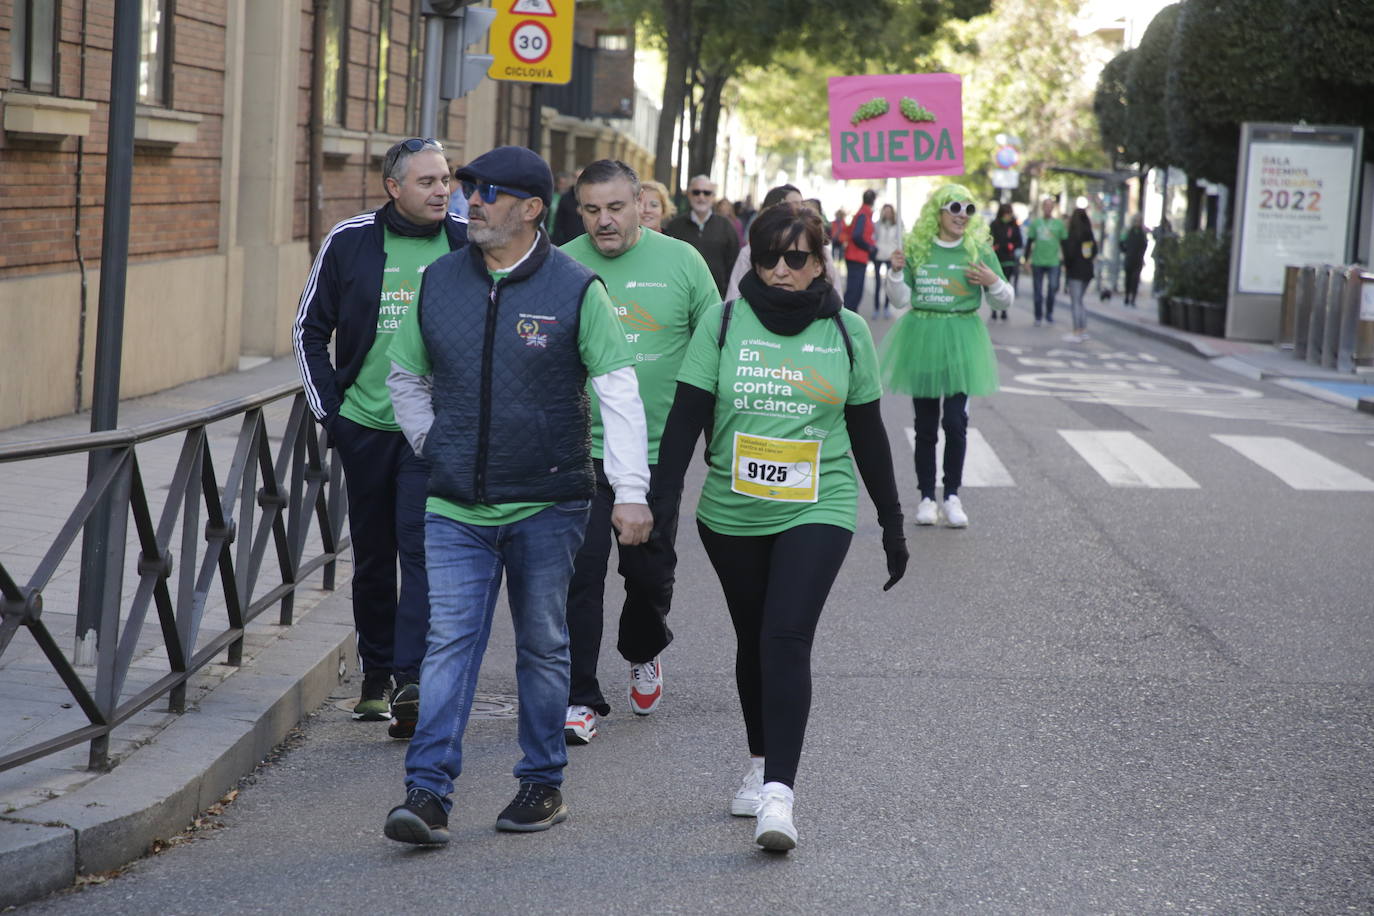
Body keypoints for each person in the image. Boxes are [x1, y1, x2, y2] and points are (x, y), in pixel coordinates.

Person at [381, 146, 652, 845]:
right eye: (466, 187)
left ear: (531, 209)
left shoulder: (575, 287)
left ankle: (541, 783)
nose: (471, 200)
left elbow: (618, 389)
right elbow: (405, 377)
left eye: (487, 191)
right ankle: (428, 794)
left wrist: (631, 491)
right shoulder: (440, 280)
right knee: (449, 646)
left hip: (547, 503)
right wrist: (433, 444)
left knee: (542, 644)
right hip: (455, 507)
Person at [652, 202, 908, 852]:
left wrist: (893, 520)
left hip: (818, 502)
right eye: (768, 256)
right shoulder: (724, 320)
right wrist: (659, 507)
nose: (781, 270)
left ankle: (779, 799)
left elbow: (868, 433)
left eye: (797, 257)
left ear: (822, 260)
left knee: (786, 636)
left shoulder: (848, 332)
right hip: (731, 512)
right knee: (753, 641)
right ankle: (761, 761)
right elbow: (685, 419)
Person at [293, 137, 467, 734]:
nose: (442, 190)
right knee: (372, 557)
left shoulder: (466, 242)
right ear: (394, 187)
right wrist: (332, 417)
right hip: (364, 427)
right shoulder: (351, 240)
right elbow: (307, 330)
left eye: (446, 179)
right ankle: (375, 675)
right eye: (427, 181)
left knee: (420, 551)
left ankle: (411, 679)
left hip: (433, 435)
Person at [559, 160, 719, 744]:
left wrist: (712, 435)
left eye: (616, 207)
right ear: (580, 211)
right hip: (579, 450)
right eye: (592, 210)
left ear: (640, 203)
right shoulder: (562, 262)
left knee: (648, 574)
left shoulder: (681, 262)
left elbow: (713, 351)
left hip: (656, 454)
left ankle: (642, 649)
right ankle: (579, 694)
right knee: (580, 573)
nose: (605, 221)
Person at [881, 184, 1013, 529]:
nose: (961, 215)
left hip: (962, 338)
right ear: (938, 212)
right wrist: (895, 272)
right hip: (923, 335)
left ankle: (952, 495)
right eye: (954, 207)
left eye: (969, 209)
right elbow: (898, 299)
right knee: (925, 426)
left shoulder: (977, 249)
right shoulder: (917, 248)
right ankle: (926, 496)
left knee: (955, 422)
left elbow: (1004, 300)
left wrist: (992, 281)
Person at [726, 184, 842, 301]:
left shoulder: (821, 251)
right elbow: (734, 295)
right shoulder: (749, 252)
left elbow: (836, 293)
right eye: (769, 259)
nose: (781, 272)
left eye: (796, 259)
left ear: (817, 265)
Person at [665, 175, 740, 298]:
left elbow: (733, 265)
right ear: (689, 195)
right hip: (680, 297)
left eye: (706, 193)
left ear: (713, 197)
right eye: (696, 192)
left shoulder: (726, 226)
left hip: (717, 298)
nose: (701, 197)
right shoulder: (675, 226)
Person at [1024, 196, 1067, 326]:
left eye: (1050, 206)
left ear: (1053, 208)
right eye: (1046, 206)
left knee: (1053, 288)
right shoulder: (1036, 223)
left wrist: (1065, 262)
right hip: (1038, 261)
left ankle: (1049, 313)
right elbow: (1029, 242)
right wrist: (1026, 260)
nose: (1048, 208)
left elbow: (1064, 243)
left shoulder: (1059, 224)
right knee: (1037, 290)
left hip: (1054, 262)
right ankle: (1038, 316)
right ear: (1043, 208)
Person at [1062, 207, 1097, 342]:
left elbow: (1069, 254)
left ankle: (1077, 330)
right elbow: (1093, 252)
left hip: (1075, 271)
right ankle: (1083, 329)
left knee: (1076, 301)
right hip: (1087, 270)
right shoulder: (1089, 234)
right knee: (1080, 300)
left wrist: (1067, 265)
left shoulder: (1073, 235)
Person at [842, 189, 879, 312]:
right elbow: (857, 236)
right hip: (856, 258)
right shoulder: (863, 215)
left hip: (856, 257)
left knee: (854, 293)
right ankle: (847, 324)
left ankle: (848, 322)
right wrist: (869, 247)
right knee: (854, 293)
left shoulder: (863, 213)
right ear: (873, 201)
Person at [989, 202, 1023, 310]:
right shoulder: (994, 224)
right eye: (1005, 213)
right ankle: (994, 309)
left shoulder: (1014, 225)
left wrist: (1012, 246)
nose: (1007, 216)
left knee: (1006, 283)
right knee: (994, 284)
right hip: (996, 258)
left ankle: (1004, 309)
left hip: (1009, 258)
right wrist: (993, 246)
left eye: (1009, 213)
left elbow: (1019, 241)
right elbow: (988, 238)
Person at [872, 203, 904, 318]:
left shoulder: (898, 225)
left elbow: (901, 240)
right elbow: (873, 238)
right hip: (878, 256)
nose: (887, 213)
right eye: (885, 211)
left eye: (889, 211)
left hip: (890, 256)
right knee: (877, 283)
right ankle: (876, 308)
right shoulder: (877, 224)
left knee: (888, 284)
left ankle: (886, 308)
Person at [550, 167, 585, 245]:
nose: (578, 180)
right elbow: (558, 224)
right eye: (576, 177)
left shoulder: (592, 198)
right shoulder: (565, 198)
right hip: (568, 242)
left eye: (581, 177)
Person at [1121, 214, 1149, 306]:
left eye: (1139, 220)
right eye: (1136, 220)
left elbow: (1145, 246)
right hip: (1129, 258)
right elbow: (1121, 243)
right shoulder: (1128, 231)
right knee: (1128, 279)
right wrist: (1125, 250)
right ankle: (1127, 296)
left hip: (1138, 260)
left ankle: (1133, 298)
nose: (1137, 222)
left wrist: (1142, 255)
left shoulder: (1142, 233)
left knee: (1135, 280)